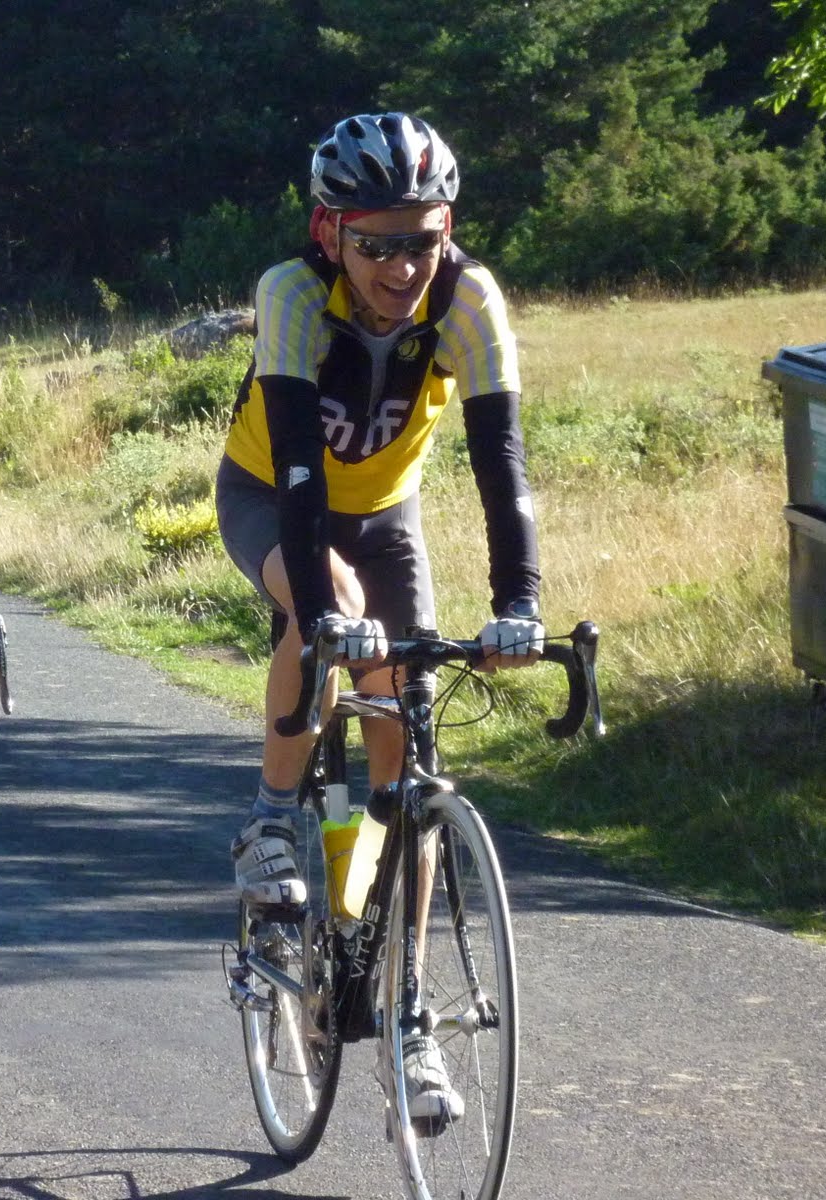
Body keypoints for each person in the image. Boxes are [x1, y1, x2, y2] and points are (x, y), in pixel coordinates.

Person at [216, 112, 544, 1125]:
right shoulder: (290, 293)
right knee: (334, 612)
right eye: (377, 244)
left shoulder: (469, 299)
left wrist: (519, 603)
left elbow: (502, 465)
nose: (403, 266)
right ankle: (271, 820)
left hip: (388, 514)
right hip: (272, 497)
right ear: (330, 233)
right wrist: (320, 609)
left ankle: (408, 1014)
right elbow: (298, 465)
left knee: (409, 756)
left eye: (423, 239)